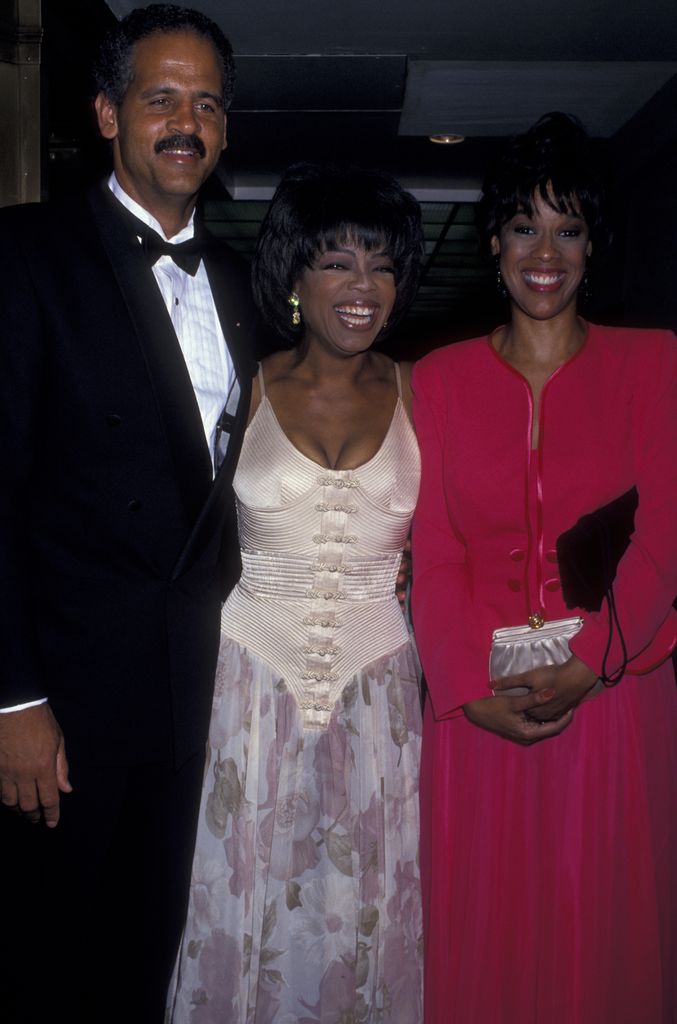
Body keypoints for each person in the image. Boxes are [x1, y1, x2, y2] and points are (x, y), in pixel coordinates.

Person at [0, 6, 255, 1022]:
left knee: (146, 967)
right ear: (107, 114)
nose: (184, 121)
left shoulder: (241, 282)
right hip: (60, 710)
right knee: (41, 965)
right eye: (160, 99)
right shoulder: (24, 254)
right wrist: (12, 698)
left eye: (205, 104)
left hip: (196, 706)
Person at [412, 112, 677, 1023]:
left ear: (593, 243)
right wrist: (460, 687)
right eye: (524, 225)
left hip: (611, 696)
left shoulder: (653, 363)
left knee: (599, 944)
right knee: (482, 942)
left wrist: (592, 658)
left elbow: (665, 540)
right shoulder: (437, 380)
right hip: (478, 708)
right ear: (493, 242)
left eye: (568, 227)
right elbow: (433, 550)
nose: (545, 251)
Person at [167, 163, 425, 1023]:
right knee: (243, 911)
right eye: (337, 262)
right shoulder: (241, 383)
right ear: (294, 274)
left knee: (362, 920)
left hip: (378, 696)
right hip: (245, 690)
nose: (362, 288)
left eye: (382, 266)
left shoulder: (424, 391)